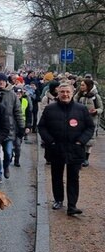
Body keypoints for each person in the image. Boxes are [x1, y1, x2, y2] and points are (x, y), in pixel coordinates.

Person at [38, 82, 95, 215]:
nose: (65, 94)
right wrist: (50, 141)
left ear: (72, 92)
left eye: (67, 92)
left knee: (73, 178)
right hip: (56, 148)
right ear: (58, 93)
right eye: (62, 92)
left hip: (75, 149)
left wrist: (81, 141)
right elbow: (42, 127)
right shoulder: (50, 109)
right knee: (56, 176)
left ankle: (72, 205)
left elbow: (90, 127)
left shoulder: (81, 109)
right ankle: (58, 200)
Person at [0, 73, 25, 184]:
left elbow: (18, 112)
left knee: (8, 153)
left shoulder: (12, 95)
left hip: (9, 129)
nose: (1, 82)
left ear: (6, 82)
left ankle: (6, 166)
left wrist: (22, 127)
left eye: (3, 80)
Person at [74, 79, 103, 167]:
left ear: (88, 86)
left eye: (83, 85)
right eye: (81, 85)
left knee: (89, 140)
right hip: (79, 120)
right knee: (79, 138)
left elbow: (101, 108)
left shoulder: (95, 96)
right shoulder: (78, 95)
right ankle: (79, 157)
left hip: (91, 121)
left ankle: (86, 158)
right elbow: (73, 104)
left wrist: (95, 111)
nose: (81, 87)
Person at [13, 86, 32, 167]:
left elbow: (28, 115)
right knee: (9, 146)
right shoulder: (11, 101)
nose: (18, 95)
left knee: (18, 144)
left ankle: (16, 160)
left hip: (21, 126)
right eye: (16, 93)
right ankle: (9, 155)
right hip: (11, 126)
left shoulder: (25, 101)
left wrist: (28, 126)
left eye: (19, 93)